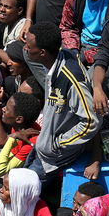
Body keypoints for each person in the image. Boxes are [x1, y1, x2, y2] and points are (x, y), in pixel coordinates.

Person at [22, 22, 99, 182]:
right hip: (42, 147)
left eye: (29, 46)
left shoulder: (72, 80)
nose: (25, 48)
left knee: (20, 193)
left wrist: (58, 143)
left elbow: (91, 121)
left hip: (53, 159)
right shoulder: (53, 61)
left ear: (42, 52)